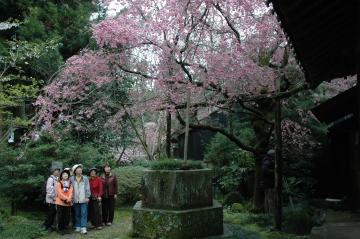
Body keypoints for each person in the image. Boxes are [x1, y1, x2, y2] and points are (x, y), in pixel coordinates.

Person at [70, 164, 91, 234]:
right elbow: (70, 189)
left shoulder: (85, 178)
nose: (80, 170)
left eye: (80, 169)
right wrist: (71, 198)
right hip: (75, 199)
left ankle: (83, 227)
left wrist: (87, 197)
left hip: (83, 199)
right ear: (75, 171)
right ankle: (78, 226)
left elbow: (88, 188)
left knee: (84, 213)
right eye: (78, 169)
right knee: (77, 213)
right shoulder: (72, 179)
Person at [54, 169, 73, 234]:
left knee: (67, 216)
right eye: (64, 174)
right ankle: (60, 229)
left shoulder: (70, 183)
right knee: (60, 216)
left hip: (68, 202)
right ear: (61, 176)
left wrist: (69, 198)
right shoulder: (59, 183)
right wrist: (66, 198)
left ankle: (65, 228)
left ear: (68, 175)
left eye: (66, 174)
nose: (65, 175)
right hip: (60, 202)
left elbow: (71, 191)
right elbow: (59, 192)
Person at [42, 165, 60, 231]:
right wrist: (54, 197)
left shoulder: (56, 179)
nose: (58, 172)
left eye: (58, 171)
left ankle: (48, 225)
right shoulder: (51, 179)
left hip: (54, 200)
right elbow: (49, 190)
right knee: (50, 213)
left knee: (52, 213)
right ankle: (46, 226)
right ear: (53, 172)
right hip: (50, 200)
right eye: (56, 171)